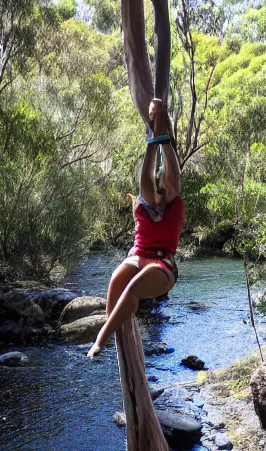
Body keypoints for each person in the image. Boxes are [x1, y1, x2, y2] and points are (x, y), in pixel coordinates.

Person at [87, 0, 183, 358]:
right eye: (156, 188)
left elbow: (168, 171)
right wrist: (151, 140)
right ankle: (122, 343)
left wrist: (165, 135)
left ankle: (100, 338)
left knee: (132, 291)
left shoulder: (173, 206)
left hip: (161, 266)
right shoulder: (145, 204)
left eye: (161, 188)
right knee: (116, 280)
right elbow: (148, 172)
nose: (158, 189)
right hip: (138, 255)